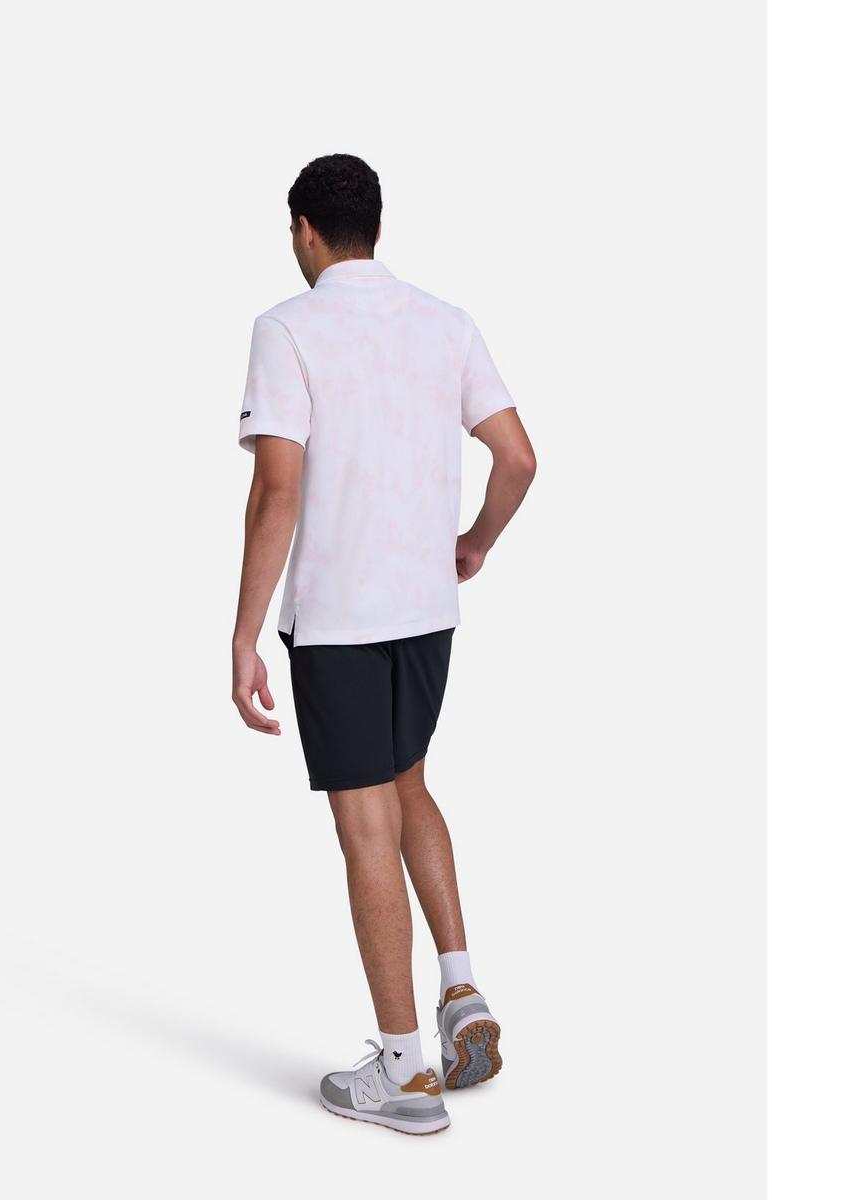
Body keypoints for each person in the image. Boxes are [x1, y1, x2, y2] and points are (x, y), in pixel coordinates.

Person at [231, 154, 535, 1135]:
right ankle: (461, 991)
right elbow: (519, 456)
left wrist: (243, 633)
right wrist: (476, 542)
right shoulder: (445, 321)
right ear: (375, 224)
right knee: (408, 787)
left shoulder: (287, 328)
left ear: (305, 230)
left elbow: (278, 488)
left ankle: (404, 1074)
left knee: (365, 826)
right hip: (427, 611)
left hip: (341, 623)